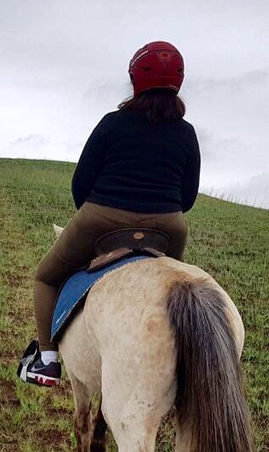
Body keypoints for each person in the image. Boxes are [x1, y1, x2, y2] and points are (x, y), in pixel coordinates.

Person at [20, 40, 201, 387]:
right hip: (168, 228)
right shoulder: (187, 133)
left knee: (45, 277)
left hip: (101, 220)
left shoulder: (112, 123)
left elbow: (80, 183)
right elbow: (188, 197)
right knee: (177, 290)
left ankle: (47, 360)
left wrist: (93, 219)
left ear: (135, 79)